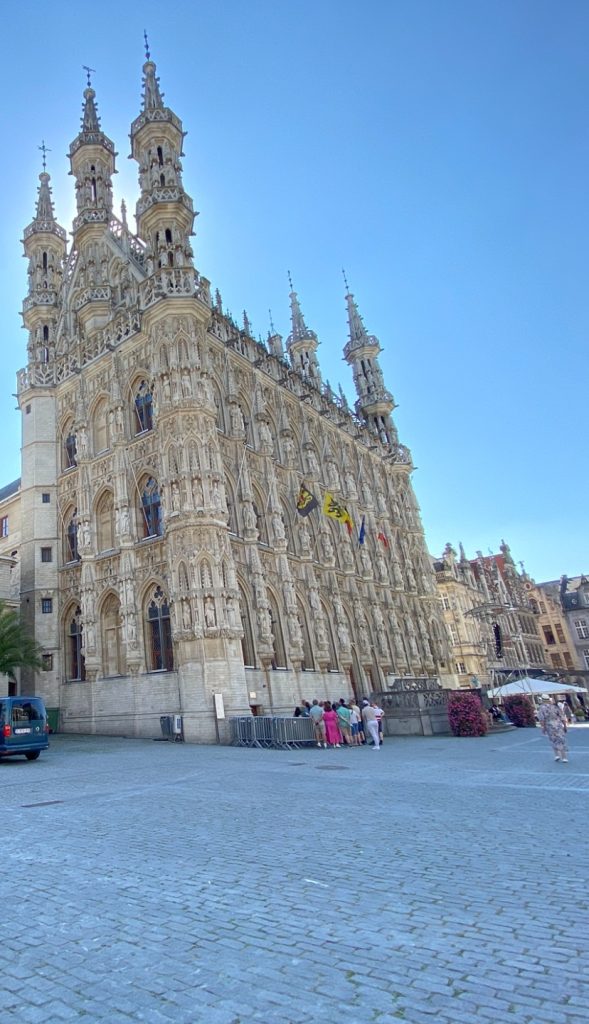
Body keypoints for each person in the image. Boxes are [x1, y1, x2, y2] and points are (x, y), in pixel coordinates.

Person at [537, 695, 569, 763]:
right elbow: (562, 716)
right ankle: (564, 757)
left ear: (542, 700)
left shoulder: (541, 708)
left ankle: (556, 755)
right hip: (558, 724)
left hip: (549, 725)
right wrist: (565, 726)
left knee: (553, 740)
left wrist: (543, 728)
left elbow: (542, 719)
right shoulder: (555, 707)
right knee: (561, 739)